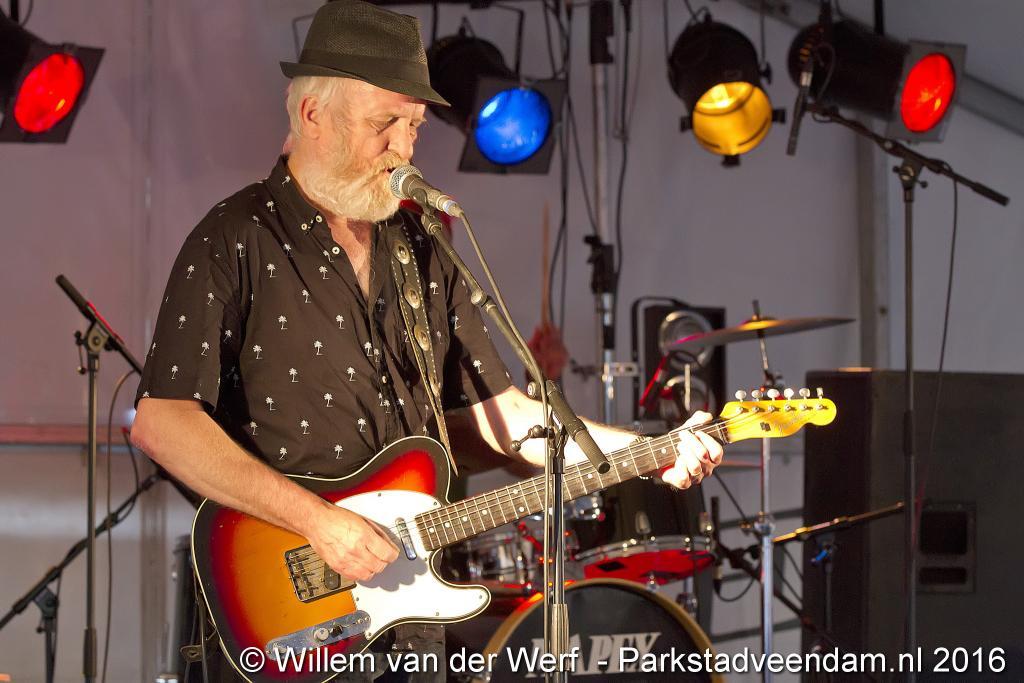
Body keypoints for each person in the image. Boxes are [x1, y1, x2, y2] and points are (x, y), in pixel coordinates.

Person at [128, 1, 723, 680]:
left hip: (410, 628)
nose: (404, 149)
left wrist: (648, 453)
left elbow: (508, 418)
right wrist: (317, 521)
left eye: (412, 127)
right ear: (313, 114)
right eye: (384, 123)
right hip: (287, 615)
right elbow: (162, 422)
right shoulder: (234, 237)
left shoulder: (422, 246)